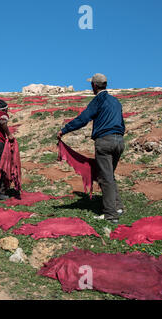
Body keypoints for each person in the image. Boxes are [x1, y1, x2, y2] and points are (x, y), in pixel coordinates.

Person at [57, 73, 125, 224]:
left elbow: (83, 119)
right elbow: (121, 122)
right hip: (119, 141)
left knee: (105, 178)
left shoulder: (98, 100)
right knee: (109, 175)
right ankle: (118, 206)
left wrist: (64, 130)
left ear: (94, 85)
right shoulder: (116, 102)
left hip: (104, 142)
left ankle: (110, 214)